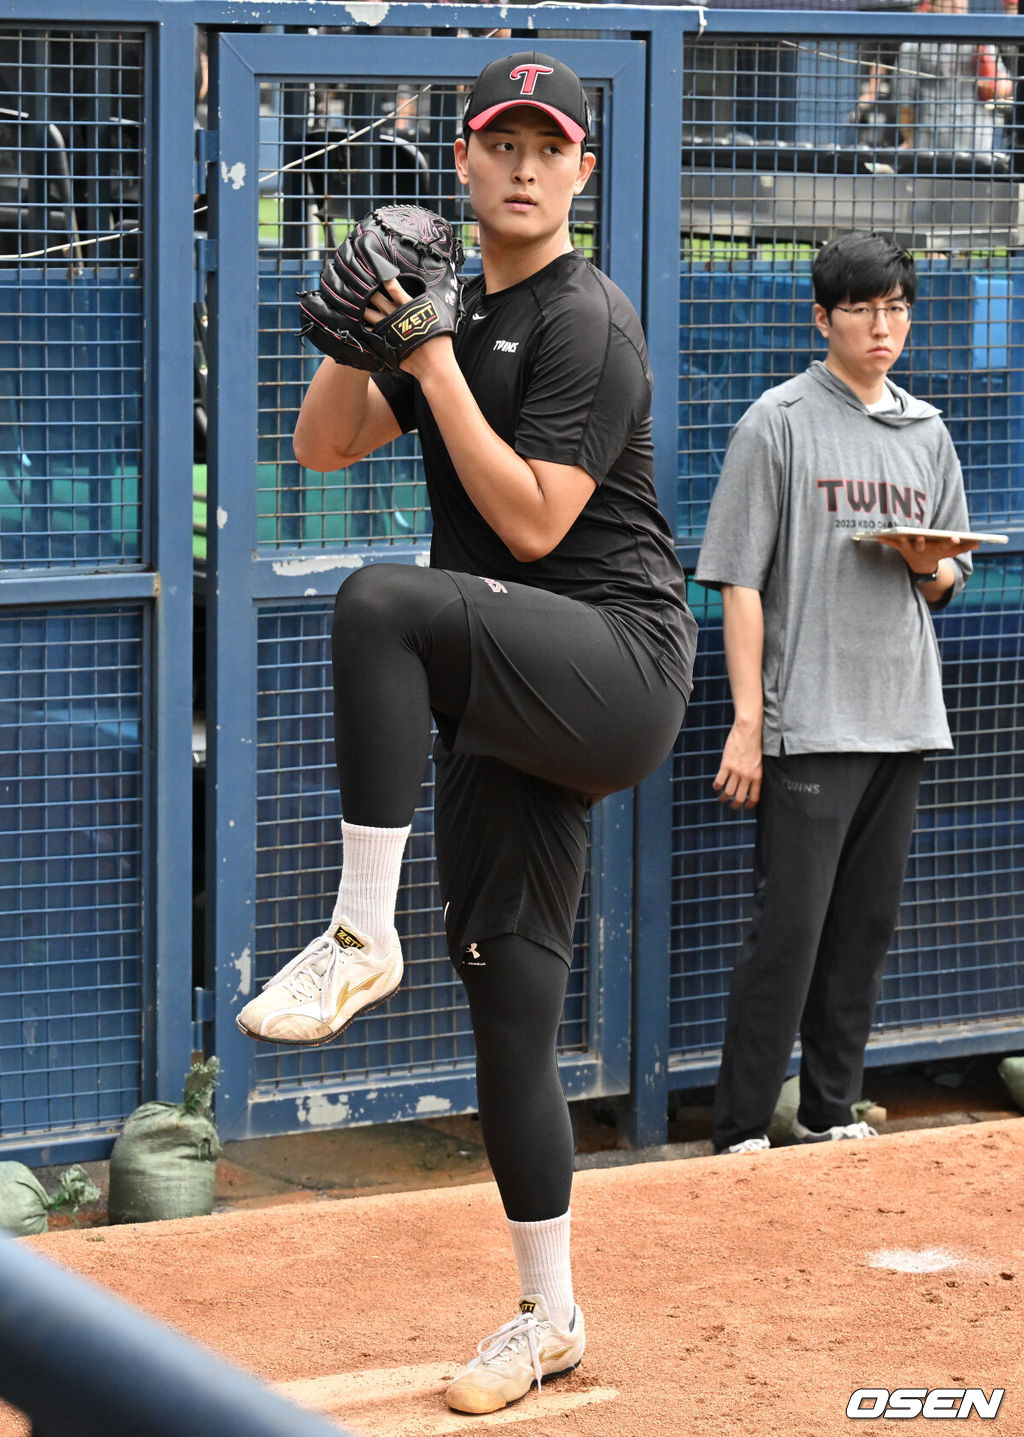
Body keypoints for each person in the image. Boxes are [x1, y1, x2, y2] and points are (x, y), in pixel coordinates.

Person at [237, 52, 697, 1413]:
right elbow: (322, 449)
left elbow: (538, 524)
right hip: (513, 693)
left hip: (614, 664)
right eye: (500, 138)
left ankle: (357, 933)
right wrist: (358, 337)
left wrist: (426, 353)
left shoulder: (584, 320)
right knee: (510, 1003)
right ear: (461, 160)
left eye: (548, 145)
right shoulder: (448, 312)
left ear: (581, 175)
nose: (521, 164)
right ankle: (548, 1313)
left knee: (378, 600)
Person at [695, 230, 976, 1158]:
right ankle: (738, 1129)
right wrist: (747, 722)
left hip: (902, 715)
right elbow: (739, 580)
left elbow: (944, 583)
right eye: (862, 307)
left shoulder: (927, 431)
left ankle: (828, 1111)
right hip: (806, 720)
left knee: (864, 929)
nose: (883, 325)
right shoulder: (775, 422)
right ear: (822, 318)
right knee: (789, 933)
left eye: (897, 307)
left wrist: (929, 568)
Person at [893, 0, 1012, 160]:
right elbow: (904, 103)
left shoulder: (980, 37)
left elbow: (1004, 86)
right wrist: (909, 139)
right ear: (934, 3)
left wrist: (987, 71)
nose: (958, 3)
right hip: (932, 143)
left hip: (977, 141)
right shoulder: (915, 43)